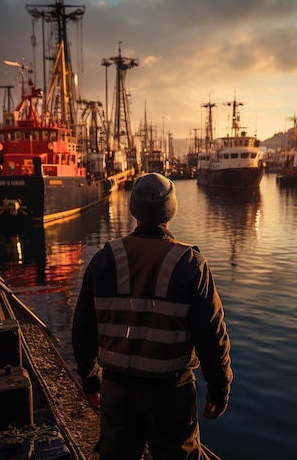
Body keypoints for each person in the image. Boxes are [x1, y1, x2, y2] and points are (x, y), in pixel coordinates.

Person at [72, 172, 233, 460]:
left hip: (117, 391)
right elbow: (213, 336)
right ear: (171, 210)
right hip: (171, 395)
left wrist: (90, 379)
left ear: (135, 210)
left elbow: (83, 330)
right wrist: (219, 389)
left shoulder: (103, 259)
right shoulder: (190, 265)